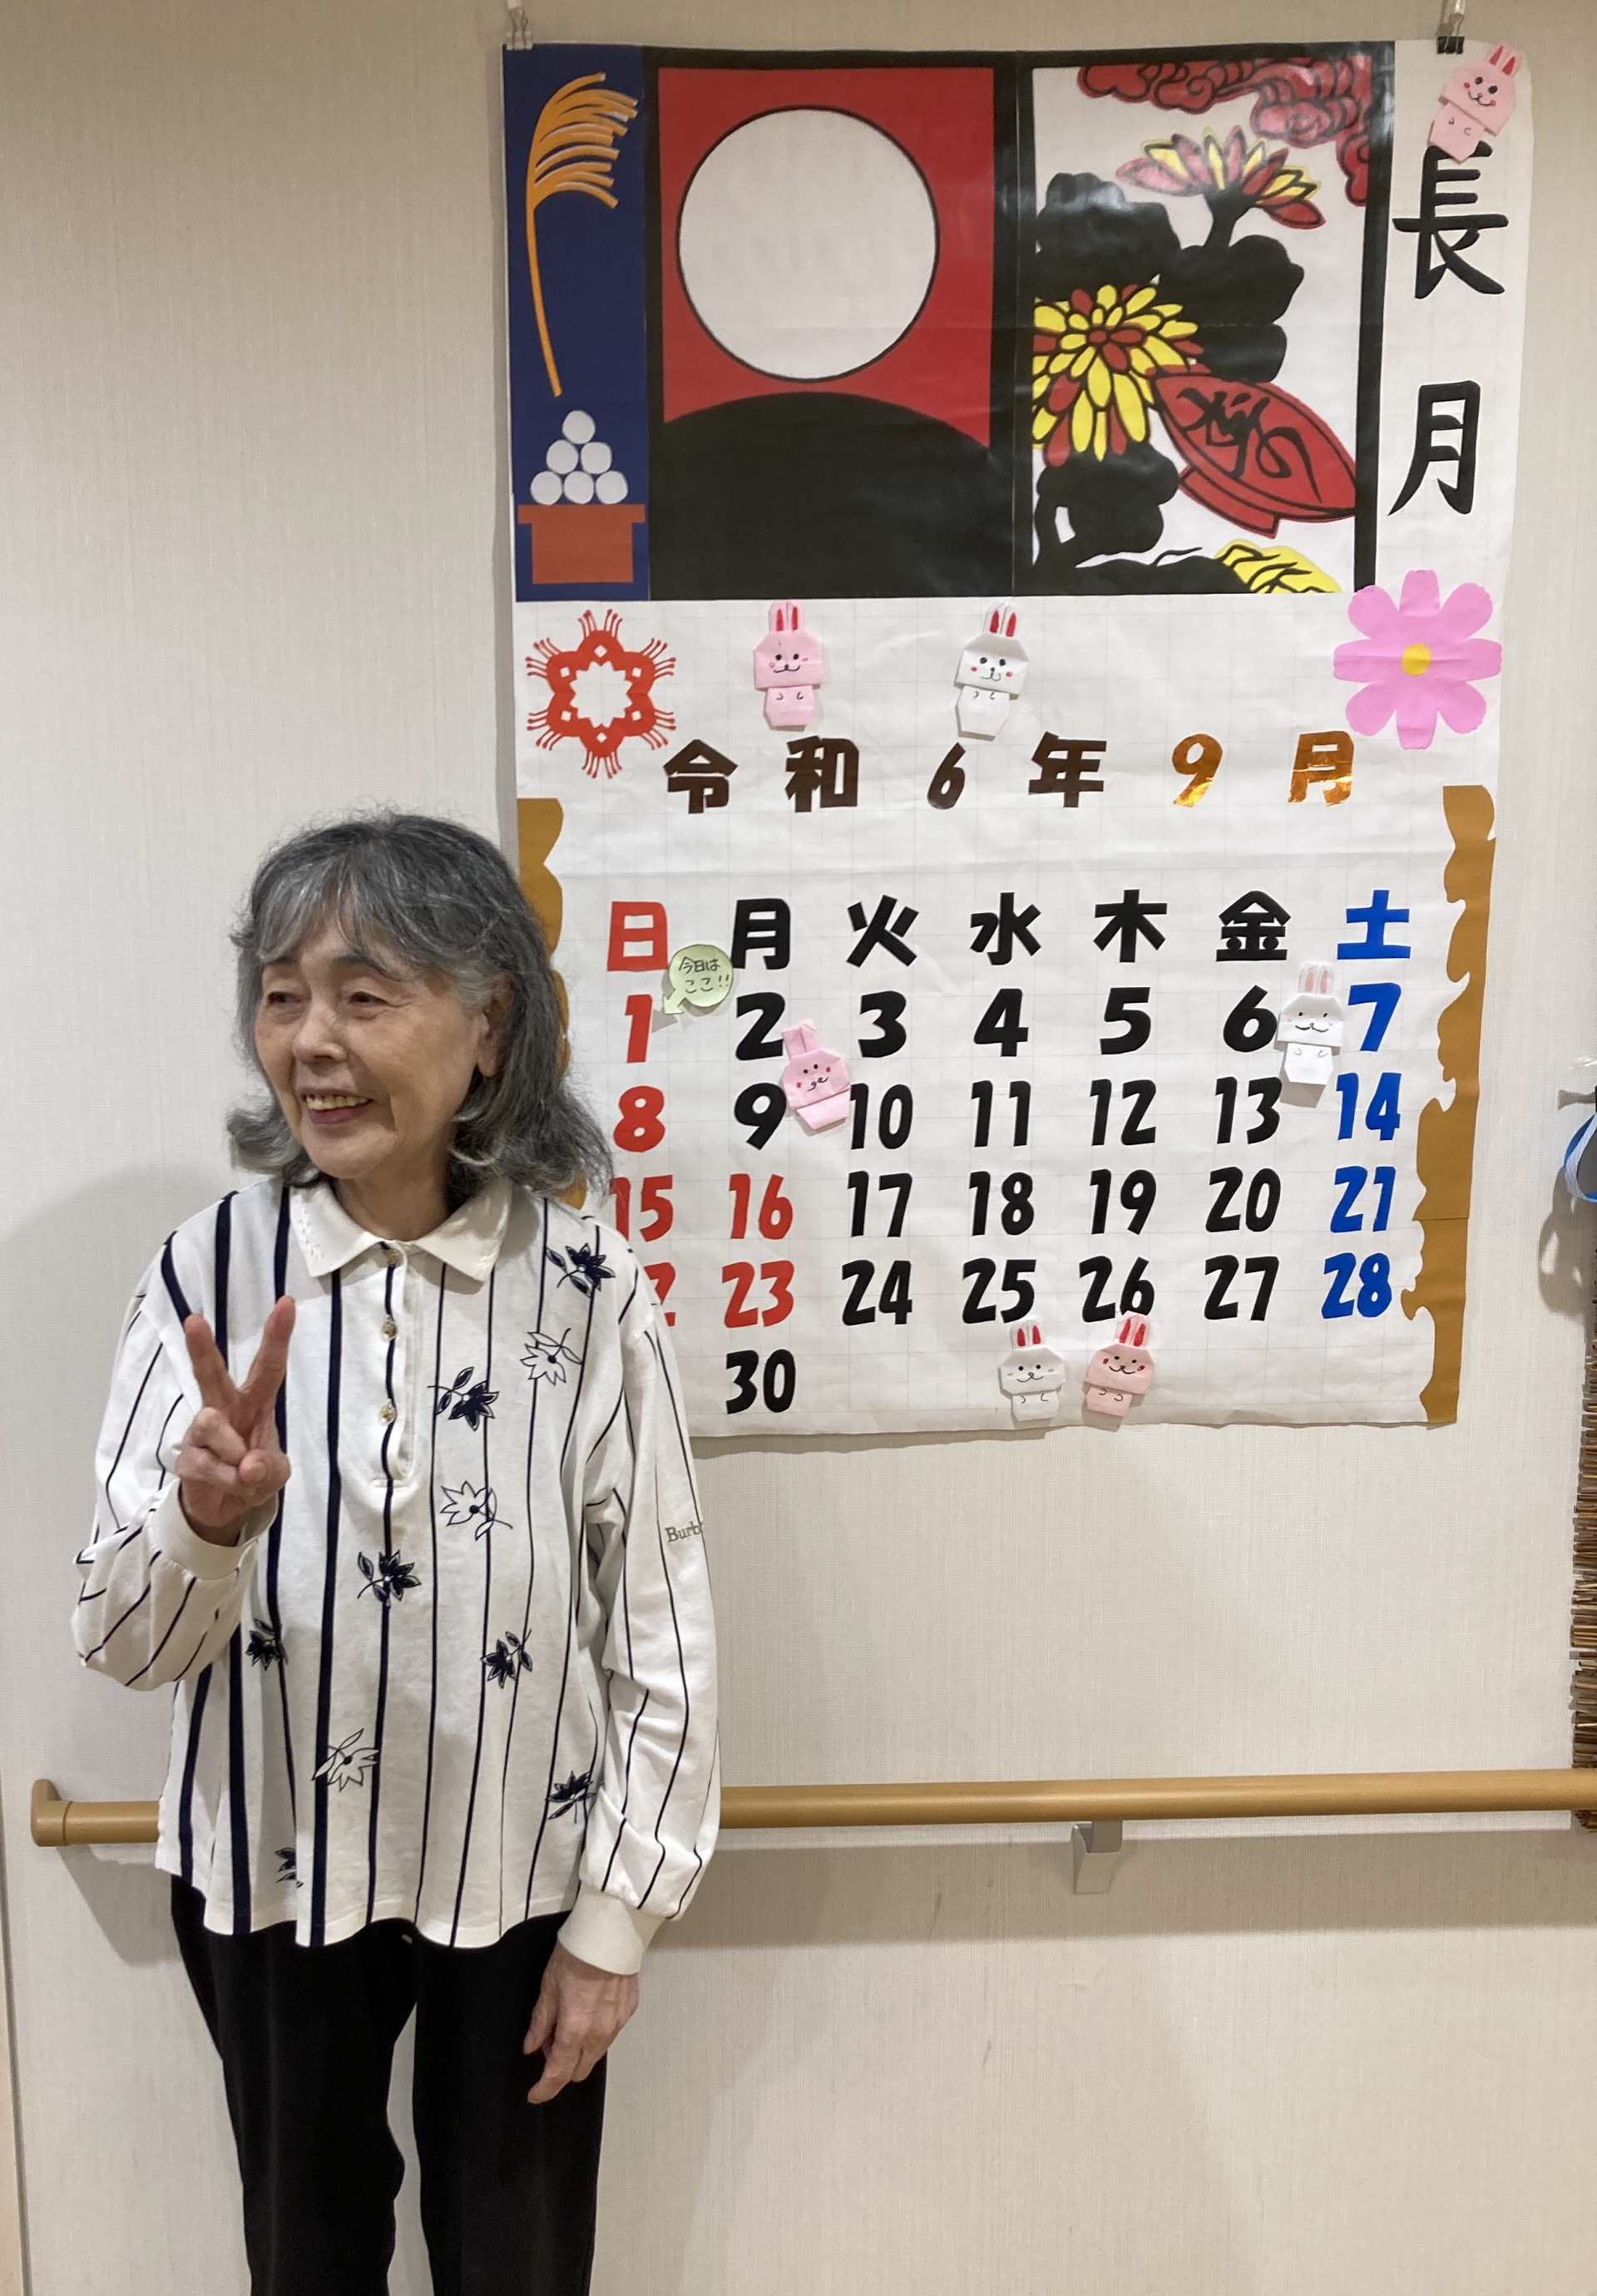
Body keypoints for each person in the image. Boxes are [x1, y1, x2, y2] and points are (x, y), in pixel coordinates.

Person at [73, 812, 719, 2296]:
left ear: (489, 1027)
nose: (311, 1041)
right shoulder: (208, 1269)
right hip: (271, 1858)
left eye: (365, 995)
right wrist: (203, 1523)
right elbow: (115, 1637)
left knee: (519, 2259)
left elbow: (664, 1617)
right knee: (305, 2257)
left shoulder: (588, 1284)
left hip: (522, 1862)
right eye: (281, 994)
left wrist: (619, 1918)